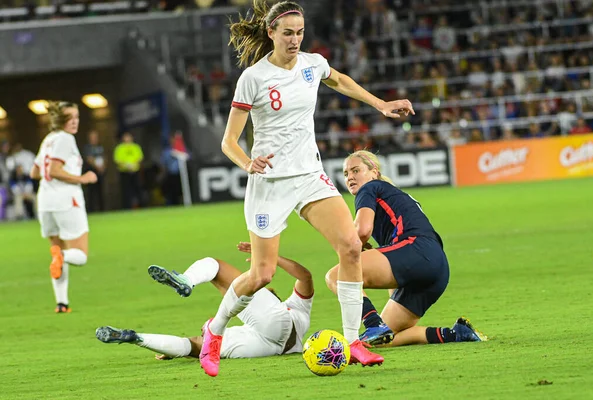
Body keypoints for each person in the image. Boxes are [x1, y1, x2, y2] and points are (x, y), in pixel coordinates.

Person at [200, 0, 415, 377]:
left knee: (351, 246)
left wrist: (380, 104)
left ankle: (354, 343)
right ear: (271, 34)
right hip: (269, 184)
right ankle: (214, 332)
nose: (295, 40)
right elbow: (228, 142)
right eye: (287, 33)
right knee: (262, 275)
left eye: (300, 32)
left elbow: (339, 80)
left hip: (309, 176)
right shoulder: (254, 77)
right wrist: (247, 162)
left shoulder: (311, 64)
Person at [325, 150, 486, 348]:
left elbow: (362, 231)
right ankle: (454, 334)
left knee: (335, 277)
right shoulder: (392, 194)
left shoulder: (370, 188)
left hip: (415, 249)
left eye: (356, 170)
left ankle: (372, 322)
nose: (350, 177)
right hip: (436, 267)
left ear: (374, 172)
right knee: (379, 341)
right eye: (346, 173)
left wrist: (349, 247)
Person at [96, 241, 313, 361]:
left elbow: (305, 276)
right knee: (198, 346)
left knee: (216, 266)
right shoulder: (297, 312)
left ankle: (186, 280)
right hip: (269, 348)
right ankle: (136, 337)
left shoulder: (289, 308)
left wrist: (272, 258)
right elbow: (305, 278)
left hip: (267, 337)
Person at [29, 101, 97, 313]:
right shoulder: (66, 139)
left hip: (46, 202)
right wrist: (82, 178)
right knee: (79, 255)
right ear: (60, 121)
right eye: (70, 118)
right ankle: (63, 258)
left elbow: (35, 173)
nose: (75, 121)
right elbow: (55, 170)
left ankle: (62, 303)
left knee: (57, 251)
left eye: (77, 117)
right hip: (66, 201)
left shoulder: (48, 139)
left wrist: (52, 176)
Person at [113, 132, 144, 209]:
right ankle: (127, 207)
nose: (127, 139)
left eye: (128, 137)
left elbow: (140, 158)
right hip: (124, 172)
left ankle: (142, 206)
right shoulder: (119, 148)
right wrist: (126, 166)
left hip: (135, 171)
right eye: (125, 137)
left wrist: (133, 165)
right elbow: (117, 160)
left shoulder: (136, 147)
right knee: (126, 191)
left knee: (138, 189)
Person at [83, 130, 106, 212]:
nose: (94, 139)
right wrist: (97, 166)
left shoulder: (100, 147)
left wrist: (103, 167)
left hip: (100, 172)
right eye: (93, 137)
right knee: (91, 192)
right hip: (91, 171)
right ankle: (91, 210)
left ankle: (102, 210)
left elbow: (103, 157)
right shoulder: (87, 148)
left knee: (100, 192)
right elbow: (89, 159)